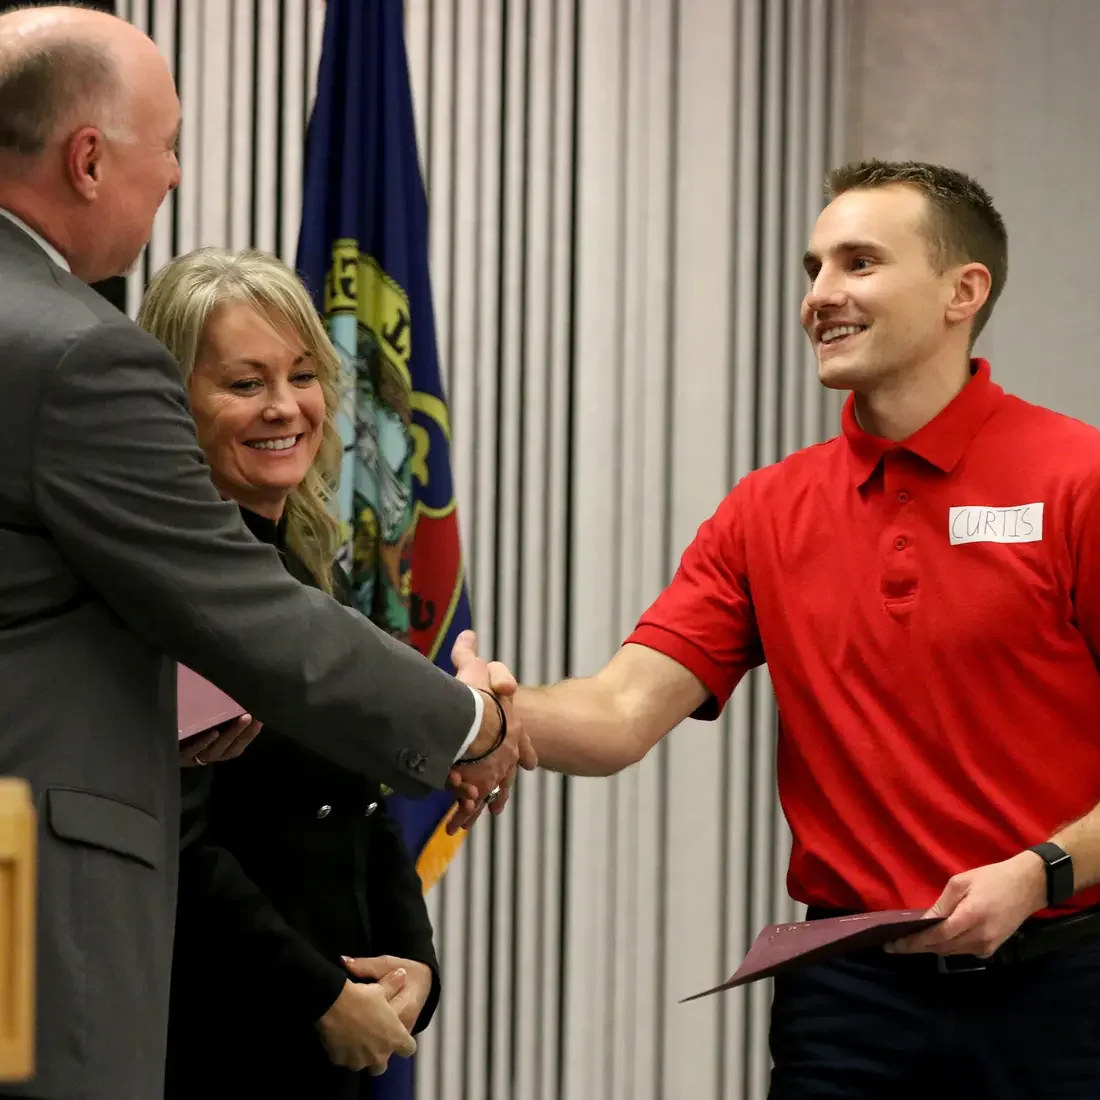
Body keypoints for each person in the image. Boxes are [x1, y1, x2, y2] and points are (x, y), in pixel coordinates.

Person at [453, 160, 1100, 1099]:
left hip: (1066, 979)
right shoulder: (767, 510)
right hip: (848, 995)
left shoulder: (1076, 476)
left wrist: (1040, 874)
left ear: (965, 291)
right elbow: (621, 711)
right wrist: (481, 716)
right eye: (814, 268)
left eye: (859, 263)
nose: (820, 296)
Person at [0, 8, 527, 1099]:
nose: (177, 175)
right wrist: (474, 721)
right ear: (89, 158)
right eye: (168, 144)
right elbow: (242, 619)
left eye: (302, 374)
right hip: (70, 927)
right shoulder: (70, 351)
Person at [137, 247, 444, 1097]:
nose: (285, 407)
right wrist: (318, 995)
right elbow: (180, 843)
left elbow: (364, 800)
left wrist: (415, 968)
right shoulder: (173, 588)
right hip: (217, 1042)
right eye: (245, 383)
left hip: (337, 1041)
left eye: (302, 375)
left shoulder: (305, 574)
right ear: (174, 401)